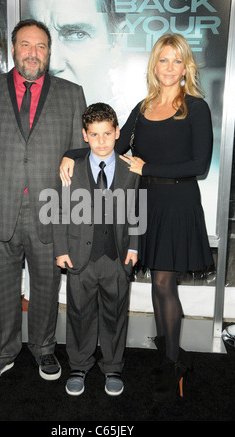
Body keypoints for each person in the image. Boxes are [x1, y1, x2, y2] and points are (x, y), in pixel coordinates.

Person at [60, 33, 214, 402]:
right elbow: (111, 142)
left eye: (177, 61)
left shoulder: (196, 107)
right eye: (163, 59)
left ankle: (173, 363)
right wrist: (70, 152)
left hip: (177, 202)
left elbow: (200, 164)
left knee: (164, 284)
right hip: (144, 204)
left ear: (185, 66)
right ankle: (168, 353)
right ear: (154, 64)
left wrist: (149, 166)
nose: (170, 67)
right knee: (157, 287)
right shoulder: (143, 107)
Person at [0, 19, 87, 387]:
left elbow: (81, 154)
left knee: (47, 284)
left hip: (51, 208)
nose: (33, 53)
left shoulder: (71, 93)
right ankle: (2, 353)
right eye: (26, 45)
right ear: (13, 48)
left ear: (49, 51)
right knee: (3, 285)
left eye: (41, 46)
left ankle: (44, 348)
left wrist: (76, 210)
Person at [53, 103, 140, 396]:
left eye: (107, 133)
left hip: (117, 256)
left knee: (116, 313)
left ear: (117, 133)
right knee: (79, 313)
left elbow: (137, 209)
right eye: (94, 134)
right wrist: (62, 248)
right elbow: (60, 211)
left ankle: (113, 366)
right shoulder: (71, 169)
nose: (101, 141)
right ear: (84, 136)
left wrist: (135, 248)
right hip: (80, 257)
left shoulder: (131, 169)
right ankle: (78, 365)